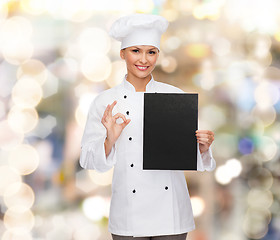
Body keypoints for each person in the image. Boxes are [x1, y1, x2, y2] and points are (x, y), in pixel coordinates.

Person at [80, 13, 216, 240]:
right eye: (136, 51)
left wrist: (202, 146)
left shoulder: (175, 96)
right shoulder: (105, 102)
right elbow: (87, 160)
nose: (144, 59)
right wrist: (109, 140)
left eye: (151, 52)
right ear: (122, 53)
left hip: (170, 213)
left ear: (157, 55)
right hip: (128, 214)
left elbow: (186, 155)